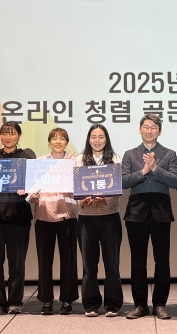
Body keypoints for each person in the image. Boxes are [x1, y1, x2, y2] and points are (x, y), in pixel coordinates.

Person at [121, 113, 177, 320]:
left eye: (153, 127)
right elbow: (123, 181)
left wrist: (155, 169)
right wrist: (143, 172)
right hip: (136, 210)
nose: (149, 130)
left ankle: (160, 305)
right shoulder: (130, 154)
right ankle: (140, 305)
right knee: (138, 261)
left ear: (159, 131)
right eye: (146, 127)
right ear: (140, 129)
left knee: (162, 261)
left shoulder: (170, 154)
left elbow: (175, 181)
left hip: (161, 210)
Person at [0, 121, 35, 315]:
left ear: (19, 136)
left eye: (12, 133)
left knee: (17, 264)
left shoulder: (26, 158)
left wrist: (28, 188)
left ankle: (15, 302)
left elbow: (36, 185)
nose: (8, 137)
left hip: (18, 219)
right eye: (4, 133)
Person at [27, 128, 78, 316]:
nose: (58, 141)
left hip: (67, 215)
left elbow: (81, 188)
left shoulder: (74, 162)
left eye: (62, 138)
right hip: (44, 215)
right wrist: (32, 195)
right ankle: (46, 300)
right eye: (54, 138)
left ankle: (67, 300)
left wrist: (67, 167)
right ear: (49, 142)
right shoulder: (39, 163)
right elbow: (31, 193)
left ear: (67, 142)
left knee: (69, 260)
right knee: (44, 260)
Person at [75, 124, 123, 317]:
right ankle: (91, 304)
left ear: (106, 139)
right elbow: (75, 187)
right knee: (89, 265)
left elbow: (117, 187)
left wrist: (106, 200)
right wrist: (82, 200)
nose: (97, 140)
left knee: (112, 263)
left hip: (110, 218)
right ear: (88, 139)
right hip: (86, 219)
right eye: (93, 137)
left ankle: (113, 304)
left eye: (101, 137)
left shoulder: (116, 159)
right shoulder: (79, 159)